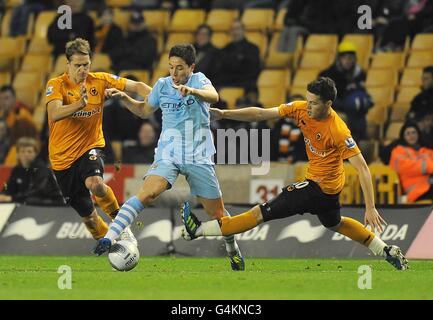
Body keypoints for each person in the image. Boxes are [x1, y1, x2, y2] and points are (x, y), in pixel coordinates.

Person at [181, 77, 409, 271]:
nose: (308, 107)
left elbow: (362, 167)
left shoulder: (338, 130)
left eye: (314, 103)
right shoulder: (301, 108)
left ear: (328, 103)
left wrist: (370, 207)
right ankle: (385, 249)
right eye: (308, 101)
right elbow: (262, 113)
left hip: (316, 190)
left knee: (259, 213)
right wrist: (224, 113)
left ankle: (198, 230)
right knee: (335, 223)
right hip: (328, 193)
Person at [93, 44, 245, 271]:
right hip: (168, 153)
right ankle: (111, 237)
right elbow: (144, 110)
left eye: (180, 68)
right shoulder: (162, 85)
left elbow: (214, 96)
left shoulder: (200, 80)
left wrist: (193, 92)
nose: (174, 74)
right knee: (147, 193)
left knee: (218, 214)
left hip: (198, 155)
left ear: (191, 67)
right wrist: (125, 98)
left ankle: (233, 251)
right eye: (171, 67)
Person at [45, 38, 151, 243]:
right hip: (61, 160)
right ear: (67, 64)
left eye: (86, 65)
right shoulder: (56, 84)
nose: (82, 70)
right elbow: (55, 113)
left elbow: (137, 85)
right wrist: (79, 104)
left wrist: (161, 96)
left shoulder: (99, 81)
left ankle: (121, 224)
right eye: (77, 65)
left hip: (90, 147)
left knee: (95, 183)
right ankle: (114, 246)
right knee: (90, 218)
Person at [319, 41, 373, 142]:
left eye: (351, 58)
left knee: (359, 115)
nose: (348, 61)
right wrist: (345, 105)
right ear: (339, 59)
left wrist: (366, 101)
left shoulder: (359, 74)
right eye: (345, 58)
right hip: (333, 108)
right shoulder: (328, 74)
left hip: (353, 110)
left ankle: (357, 143)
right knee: (344, 118)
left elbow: (361, 91)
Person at [0, 137, 63, 205]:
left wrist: (12, 198)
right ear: (18, 154)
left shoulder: (41, 169)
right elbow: (8, 186)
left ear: (35, 153)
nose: (26, 154)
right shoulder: (17, 169)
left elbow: (37, 192)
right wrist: (3, 195)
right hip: (25, 203)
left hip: (50, 203)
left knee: (31, 200)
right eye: (23, 151)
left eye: (29, 151)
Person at [390, 122, 433, 203]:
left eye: (413, 132)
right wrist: (428, 166)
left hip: (428, 187)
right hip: (415, 192)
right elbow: (406, 167)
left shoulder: (425, 151)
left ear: (418, 134)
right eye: (408, 133)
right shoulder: (398, 151)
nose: (411, 136)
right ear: (403, 136)